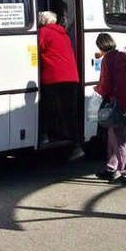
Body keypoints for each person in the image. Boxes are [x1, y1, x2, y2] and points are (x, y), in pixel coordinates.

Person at [94, 32, 126, 185]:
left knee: (119, 140)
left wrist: (97, 89)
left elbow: (105, 84)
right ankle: (111, 168)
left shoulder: (107, 60)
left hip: (116, 104)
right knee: (112, 136)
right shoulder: (120, 56)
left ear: (101, 46)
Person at [37, 11, 82, 155]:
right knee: (69, 112)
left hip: (54, 77)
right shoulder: (64, 34)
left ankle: (45, 136)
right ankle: (76, 145)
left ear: (43, 21)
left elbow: (37, 49)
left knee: (47, 107)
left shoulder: (43, 32)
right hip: (71, 77)